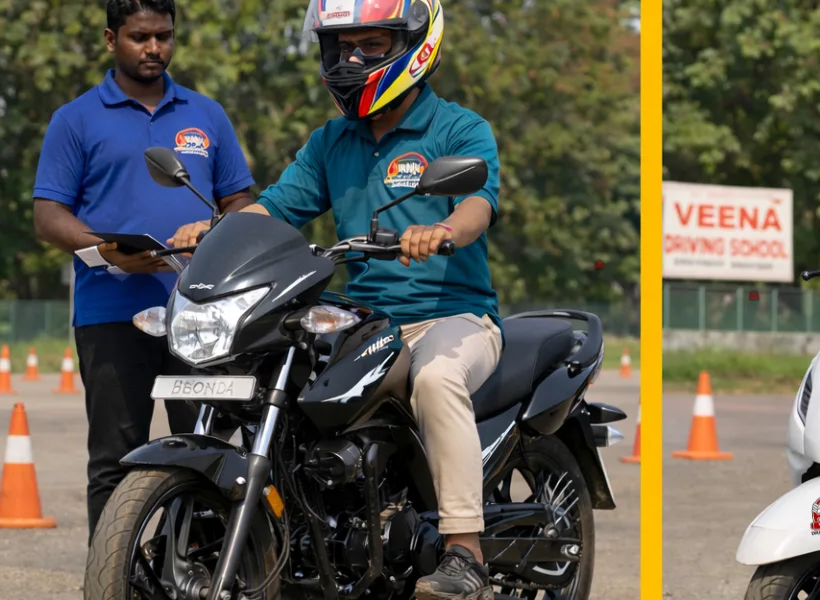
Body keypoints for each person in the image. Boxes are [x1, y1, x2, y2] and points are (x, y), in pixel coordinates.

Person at [168, 1, 502, 598]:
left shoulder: (457, 128)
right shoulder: (331, 141)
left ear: (414, 46)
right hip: (369, 321)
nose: (351, 60)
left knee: (436, 380)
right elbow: (274, 207)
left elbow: (478, 204)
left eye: (370, 46)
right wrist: (219, 230)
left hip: (454, 316)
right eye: (341, 47)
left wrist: (444, 231)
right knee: (293, 382)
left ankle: (464, 551)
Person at [31, 0, 256, 542]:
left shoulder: (206, 114)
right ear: (112, 40)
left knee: (208, 454)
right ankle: (111, 574)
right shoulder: (76, 119)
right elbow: (48, 216)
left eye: (164, 36)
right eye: (140, 37)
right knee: (115, 457)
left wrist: (216, 230)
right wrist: (106, 250)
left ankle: (203, 570)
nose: (154, 48)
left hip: (201, 315)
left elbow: (241, 202)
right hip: (112, 312)